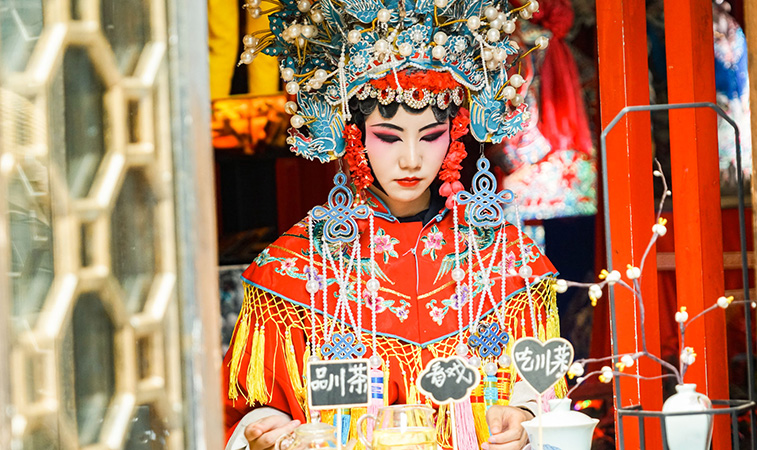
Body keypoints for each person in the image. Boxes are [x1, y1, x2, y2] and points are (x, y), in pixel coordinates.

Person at [223, 0, 564, 449]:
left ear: (456, 132)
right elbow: (252, 409)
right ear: (354, 136)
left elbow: (545, 397)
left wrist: (521, 418)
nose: (411, 160)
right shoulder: (295, 266)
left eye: (430, 136)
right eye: (388, 137)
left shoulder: (504, 256)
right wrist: (274, 434)